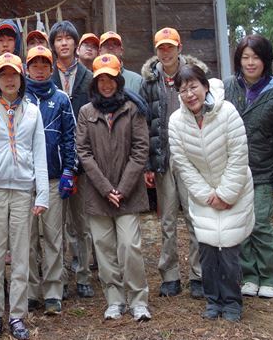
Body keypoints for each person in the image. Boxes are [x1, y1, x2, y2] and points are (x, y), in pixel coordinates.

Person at [169, 65, 254, 322]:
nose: (189, 94)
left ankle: (231, 302)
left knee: (228, 250)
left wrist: (226, 194)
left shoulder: (227, 112)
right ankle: (212, 300)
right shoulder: (176, 121)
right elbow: (182, 163)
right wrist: (208, 195)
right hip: (202, 194)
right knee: (206, 250)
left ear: (205, 86)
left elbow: (239, 155)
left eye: (193, 86)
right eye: (183, 90)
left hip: (234, 189)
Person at [0, 53, 48, 340]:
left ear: (21, 79)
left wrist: (41, 193)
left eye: (14, 75)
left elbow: (39, 153)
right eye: (3, 75)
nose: (9, 79)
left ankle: (17, 314)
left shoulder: (32, 110)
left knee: (21, 254)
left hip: (22, 190)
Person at [76, 54, 151, 322]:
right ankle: (114, 299)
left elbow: (141, 149)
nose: (106, 84)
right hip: (98, 195)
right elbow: (83, 152)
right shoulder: (86, 113)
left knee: (129, 247)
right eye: (101, 80)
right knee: (104, 249)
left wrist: (123, 187)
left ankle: (138, 299)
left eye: (110, 79)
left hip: (128, 194)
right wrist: (106, 188)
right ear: (95, 83)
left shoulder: (133, 109)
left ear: (118, 80)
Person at [224, 34, 273, 299]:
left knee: (261, 223)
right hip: (234, 168)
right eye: (245, 57)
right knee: (240, 224)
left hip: (264, 170)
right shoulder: (230, 86)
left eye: (256, 57)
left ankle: (269, 276)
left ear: (266, 60)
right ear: (238, 60)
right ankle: (249, 275)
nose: (250, 63)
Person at [140, 27, 205, 298]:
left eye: (170, 47)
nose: (165, 52)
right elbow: (143, 125)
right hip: (162, 158)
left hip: (191, 157)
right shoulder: (149, 81)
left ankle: (200, 274)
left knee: (195, 217)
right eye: (161, 48)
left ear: (180, 48)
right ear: (156, 51)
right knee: (166, 221)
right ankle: (169, 274)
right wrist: (147, 164)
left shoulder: (193, 77)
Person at [24, 45, 76, 316]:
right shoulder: (20, 99)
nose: (40, 70)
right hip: (26, 180)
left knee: (54, 237)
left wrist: (69, 170)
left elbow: (71, 138)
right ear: (27, 68)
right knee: (28, 239)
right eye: (35, 65)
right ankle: (32, 291)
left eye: (45, 65)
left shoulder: (62, 99)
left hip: (54, 179)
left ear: (52, 68)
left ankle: (54, 290)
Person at [49, 19, 95, 299]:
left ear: (76, 45)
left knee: (81, 222)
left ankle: (83, 273)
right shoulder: (46, 76)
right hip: (55, 159)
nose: (64, 43)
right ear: (53, 45)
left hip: (84, 157)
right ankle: (60, 276)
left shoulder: (89, 79)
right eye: (59, 39)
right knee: (57, 224)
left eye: (68, 39)